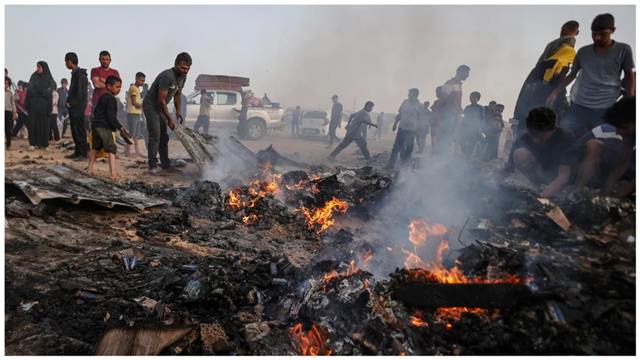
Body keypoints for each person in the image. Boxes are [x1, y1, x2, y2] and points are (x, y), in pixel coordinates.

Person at [547, 14, 635, 138]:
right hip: (578, 105)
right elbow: (572, 75)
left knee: (598, 141)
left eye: (602, 34)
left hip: (604, 108)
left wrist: (629, 102)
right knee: (562, 136)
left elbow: (630, 76)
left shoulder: (623, 50)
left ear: (613, 30)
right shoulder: (583, 52)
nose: (597, 38)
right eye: (594, 34)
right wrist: (555, 93)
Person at [549, 97, 636, 198]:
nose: (617, 132)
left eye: (622, 128)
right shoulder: (629, 134)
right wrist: (606, 190)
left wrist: (629, 187)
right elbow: (623, 160)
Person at [513, 21, 580, 138]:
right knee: (544, 124)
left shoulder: (551, 46)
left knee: (530, 121)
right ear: (577, 32)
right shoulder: (569, 50)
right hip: (547, 89)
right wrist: (553, 91)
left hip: (535, 86)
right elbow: (555, 68)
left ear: (563, 29)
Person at [505, 107, 574, 197]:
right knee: (520, 154)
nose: (535, 140)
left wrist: (543, 196)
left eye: (540, 135)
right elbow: (509, 168)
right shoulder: (524, 138)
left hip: (564, 177)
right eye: (532, 134)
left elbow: (564, 175)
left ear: (553, 130)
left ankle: (559, 190)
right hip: (542, 173)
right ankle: (536, 186)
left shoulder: (565, 138)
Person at [143, 52, 191, 173]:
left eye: (188, 68)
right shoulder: (167, 76)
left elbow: (178, 95)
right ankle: (152, 166)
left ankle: (165, 164)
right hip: (151, 105)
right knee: (156, 134)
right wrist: (169, 118)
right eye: (183, 68)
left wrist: (178, 112)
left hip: (160, 106)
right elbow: (161, 100)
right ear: (176, 65)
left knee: (164, 136)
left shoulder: (182, 77)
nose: (185, 71)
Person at [88, 76, 129, 180]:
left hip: (96, 126)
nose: (119, 89)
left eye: (120, 87)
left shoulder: (102, 97)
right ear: (109, 86)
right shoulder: (111, 99)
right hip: (105, 127)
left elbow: (96, 111)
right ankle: (112, 174)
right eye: (117, 87)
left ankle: (90, 169)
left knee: (95, 148)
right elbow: (111, 117)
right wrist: (120, 127)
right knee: (112, 149)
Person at [437, 65, 470, 154]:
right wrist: (437, 114)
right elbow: (443, 99)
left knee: (450, 140)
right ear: (460, 72)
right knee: (445, 139)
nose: (468, 76)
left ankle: (443, 160)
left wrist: (459, 109)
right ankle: (439, 160)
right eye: (467, 73)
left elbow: (454, 101)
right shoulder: (450, 83)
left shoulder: (458, 85)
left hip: (455, 116)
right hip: (448, 116)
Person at [25, 61, 56, 150]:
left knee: (44, 126)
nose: (37, 69)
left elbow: (49, 93)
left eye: (39, 67)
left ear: (44, 68)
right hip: (33, 106)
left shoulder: (49, 79)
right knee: (33, 125)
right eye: (37, 67)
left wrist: (40, 91)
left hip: (44, 106)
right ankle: (32, 143)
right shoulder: (33, 77)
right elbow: (29, 91)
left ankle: (44, 144)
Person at [64, 52, 89, 160]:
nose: (65, 63)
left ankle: (83, 154)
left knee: (79, 131)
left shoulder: (80, 76)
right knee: (74, 130)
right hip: (74, 109)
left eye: (66, 61)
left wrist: (71, 103)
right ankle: (78, 152)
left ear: (70, 61)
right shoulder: (75, 75)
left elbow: (80, 94)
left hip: (78, 108)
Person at [388, 88, 421, 168]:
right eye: (408, 94)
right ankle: (391, 164)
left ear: (415, 95)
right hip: (402, 128)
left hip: (412, 130)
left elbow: (420, 119)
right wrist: (395, 124)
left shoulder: (420, 106)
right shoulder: (405, 102)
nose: (408, 95)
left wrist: (418, 130)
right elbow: (400, 113)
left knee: (409, 149)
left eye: (410, 94)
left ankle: (405, 165)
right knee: (396, 147)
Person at [125, 72, 146, 157]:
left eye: (143, 81)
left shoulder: (137, 89)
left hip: (136, 114)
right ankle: (127, 152)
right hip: (132, 113)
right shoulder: (133, 88)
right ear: (136, 78)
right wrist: (143, 106)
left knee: (136, 135)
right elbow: (134, 103)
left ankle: (137, 151)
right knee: (131, 134)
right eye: (141, 80)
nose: (142, 82)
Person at [461, 91, 484, 158]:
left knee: (473, 142)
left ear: (478, 99)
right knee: (464, 141)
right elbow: (465, 118)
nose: (472, 99)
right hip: (466, 128)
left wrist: (480, 128)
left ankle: (471, 156)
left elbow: (481, 119)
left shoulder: (480, 108)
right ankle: (466, 155)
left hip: (475, 128)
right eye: (471, 97)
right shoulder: (467, 108)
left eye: (474, 97)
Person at [5, 77, 17, 149]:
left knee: (8, 130)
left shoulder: (10, 93)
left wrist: (14, 113)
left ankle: (8, 145)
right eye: (4, 83)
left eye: (7, 84)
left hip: (8, 112)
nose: (5, 85)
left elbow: (13, 104)